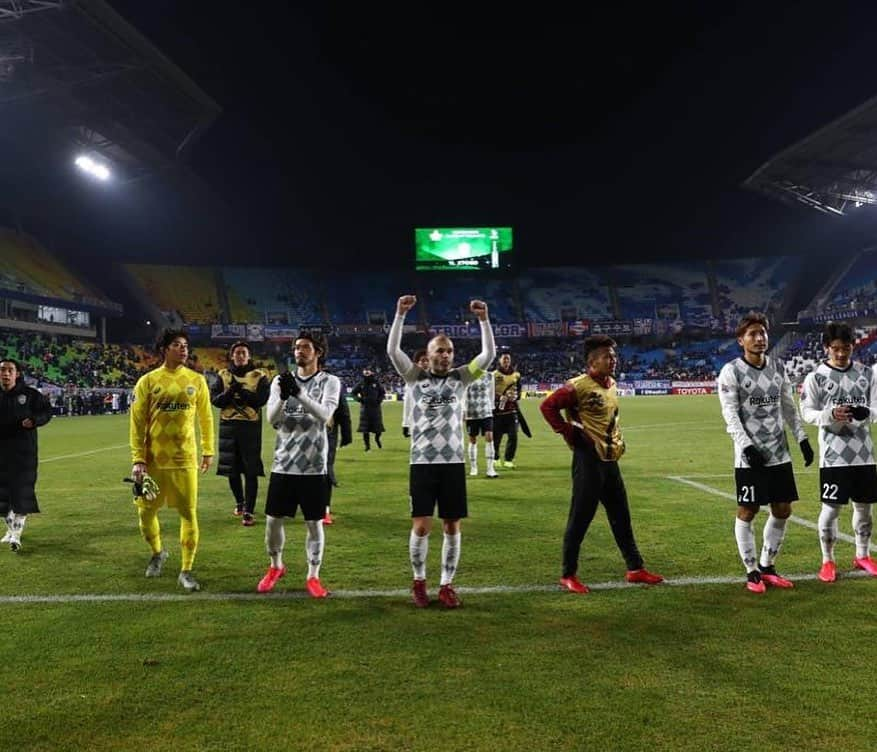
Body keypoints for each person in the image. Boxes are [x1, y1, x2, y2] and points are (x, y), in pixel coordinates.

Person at [387, 295, 496, 609]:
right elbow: (393, 350)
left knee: (452, 526)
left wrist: (483, 320)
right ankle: (419, 581)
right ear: (428, 355)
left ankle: (447, 584)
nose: (445, 355)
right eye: (439, 350)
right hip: (422, 462)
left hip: (452, 463)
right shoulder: (415, 378)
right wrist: (399, 315)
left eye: (449, 351)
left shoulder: (460, 379)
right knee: (421, 526)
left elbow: (488, 353)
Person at [540, 335, 664, 594]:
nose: (613, 360)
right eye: (608, 356)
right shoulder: (577, 386)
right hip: (588, 461)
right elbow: (547, 406)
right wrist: (567, 432)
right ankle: (568, 574)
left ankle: (635, 568)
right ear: (592, 361)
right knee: (580, 518)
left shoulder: (611, 384)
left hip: (610, 462)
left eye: (614, 355)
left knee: (621, 516)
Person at [717, 312, 813, 594]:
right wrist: (745, 446)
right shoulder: (731, 371)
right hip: (750, 455)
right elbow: (730, 414)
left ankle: (768, 566)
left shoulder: (778, 367)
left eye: (763, 333)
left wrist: (802, 438)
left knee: (782, 509)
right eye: (752, 334)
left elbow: (788, 407)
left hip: (778, 452)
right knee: (749, 509)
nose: (759, 338)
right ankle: (751, 572)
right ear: (741, 340)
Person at [129, 330, 215, 592]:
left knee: (188, 513)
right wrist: (138, 459)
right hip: (153, 460)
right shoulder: (148, 381)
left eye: (185, 345)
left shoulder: (197, 380)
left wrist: (208, 449)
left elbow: (206, 418)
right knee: (145, 513)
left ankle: (186, 570)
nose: (183, 349)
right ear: (164, 349)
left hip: (184, 459)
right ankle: (158, 553)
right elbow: (137, 422)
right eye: (177, 345)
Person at [257, 332, 340, 598]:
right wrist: (283, 395)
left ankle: (313, 575)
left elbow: (325, 416)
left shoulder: (330, 381)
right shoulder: (280, 382)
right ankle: (275, 566)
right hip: (283, 463)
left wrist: (300, 394)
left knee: (314, 523)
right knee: (272, 521)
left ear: (318, 352)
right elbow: (272, 419)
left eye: (305, 347)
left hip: (314, 466)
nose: (299, 351)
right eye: (296, 348)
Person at [800, 321, 877, 582]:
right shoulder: (816, 377)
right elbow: (806, 412)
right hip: (833, 456)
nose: (842, 354)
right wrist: (829, 414)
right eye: (836, 349)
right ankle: (827, 561)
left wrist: (867, 413)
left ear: (853, 346)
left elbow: (876, 410)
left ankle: (862, 555)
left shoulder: (867, 374)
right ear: (826, 348)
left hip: (864, 454)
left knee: (865, 508)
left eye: (846, 348)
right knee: (831, 509)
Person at [210, 341, 270, 526]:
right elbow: (216, 401)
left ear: (249, 356)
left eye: (243, 353)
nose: (240, 355)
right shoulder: (223, 375)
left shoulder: (259, 376)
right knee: (232, 471)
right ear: (232, 356)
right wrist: (231, 391)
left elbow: (261, 400)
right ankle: (240, 503)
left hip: (250, 428)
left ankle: (249, 512)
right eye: (237, 353)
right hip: (228, 428)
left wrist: (241, 392)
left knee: (250, 471)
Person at [0, 359, 52, 553]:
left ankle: (16, 534)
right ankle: (9, 530)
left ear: (17, 374)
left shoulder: (30, 395)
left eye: (9, 370)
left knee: (22, 492)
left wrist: (35, 420)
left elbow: (47, 412)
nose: (5, 373)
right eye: (2, 370)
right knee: (3, 495)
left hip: (24, 453)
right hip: (1, 453)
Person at [323, 363, 352, 525]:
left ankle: (324, 509)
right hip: (309, 433)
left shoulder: (333, 385)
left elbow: (343, 410)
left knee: (325, 469)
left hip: (328, 432)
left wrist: (346, 434)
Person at [465, 367, 498, 477]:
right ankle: (474, 468)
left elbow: (491, 393)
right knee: (473, 439)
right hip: (471, 412)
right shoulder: (468, 375)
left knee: (489, 437)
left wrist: (492, 407)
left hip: (486, 411)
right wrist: (464, 410)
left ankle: (490, 469)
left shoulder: (489, 375)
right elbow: (463, 393)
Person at [493, 352, 521, 468]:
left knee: (513, 436)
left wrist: (516, 396)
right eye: (504, 359)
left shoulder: (517, 375)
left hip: (512, 410)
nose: (506, 361)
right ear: (499, 361)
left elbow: (519, 391)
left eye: (508, 359)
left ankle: (509, 460)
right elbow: (489, 392)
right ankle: (496, 458)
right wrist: (500, 397)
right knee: (496, 437)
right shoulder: (494, 375)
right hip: (497, 411)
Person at [351, 368, 385, 450]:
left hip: (376, 409)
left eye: (368, 372)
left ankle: (377, 439)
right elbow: (353, 393)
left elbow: (382, 393)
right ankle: (367, 446)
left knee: (378, 430)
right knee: (365, 430)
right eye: (365, 372)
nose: (366, 373)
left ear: (371, 373)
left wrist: (379, 400)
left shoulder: (376, 383)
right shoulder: (361, 383)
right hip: (365, 409)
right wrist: (360, 400)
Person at [402, 349, 428, 438]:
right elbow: (407, 404)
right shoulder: (411, 381)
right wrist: (406, 424)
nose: (425, 363)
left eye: (428, 360)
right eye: (423, 361)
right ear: (417, 363)